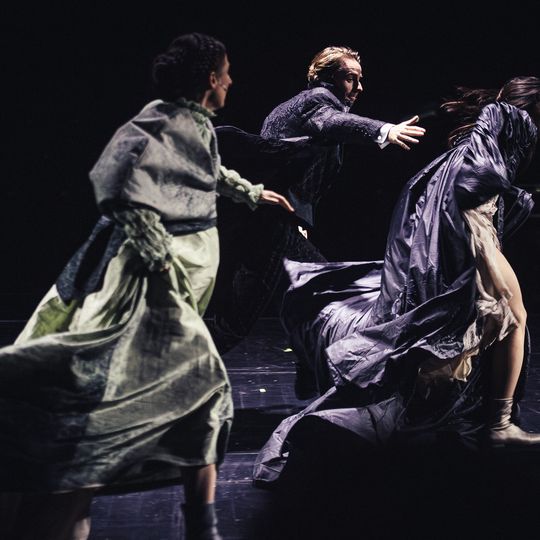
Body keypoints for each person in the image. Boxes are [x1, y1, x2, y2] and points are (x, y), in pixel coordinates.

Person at [0, 33, 292, 540]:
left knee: (185, 394)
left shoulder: (193, 123)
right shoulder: (162, 119)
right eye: (226, 72)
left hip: (173, 282)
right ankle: (178, 520)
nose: (231, 81)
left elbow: (204, 169)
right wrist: (160, 263)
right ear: (210, 78)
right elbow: (115, 182)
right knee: (184, 391)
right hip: (149, 289)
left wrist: (250, 192)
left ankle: (184, 520)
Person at [254, 76, 540, 489]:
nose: (357, 85)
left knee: (499, 317)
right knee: (509, 315)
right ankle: (498, 426)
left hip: (473, 223)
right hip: (473, 227)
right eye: (350, 76)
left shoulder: (493, 127)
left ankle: (494, 421)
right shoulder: (505, 116)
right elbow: (476, 176)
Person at [207, 45, 426, 376]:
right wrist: (385, 130)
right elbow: (332, 123)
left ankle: (313, 368)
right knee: (313, 293)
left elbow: (287, 168)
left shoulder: (296, 108)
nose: (359, 87)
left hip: (272, 224)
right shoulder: (317, 102)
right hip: (270, 227)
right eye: (350, 78)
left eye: (360, 79)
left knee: (305, 295)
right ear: (325, 78)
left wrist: (297, 218)